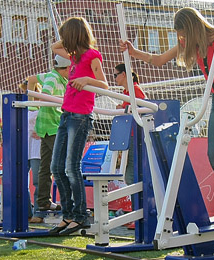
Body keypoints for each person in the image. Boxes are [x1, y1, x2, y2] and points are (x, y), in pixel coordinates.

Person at [121, 6, 214, 226]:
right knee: (213, 155)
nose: (180, 37)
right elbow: (159, 59)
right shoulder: (187, 44)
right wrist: (134, 52)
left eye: (182, 32)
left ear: (191, 27)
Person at [48, 17, 108, 235]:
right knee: (56, 168)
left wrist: (87, 80)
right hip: (66, 115)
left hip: (81, 117)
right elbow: (54, 47)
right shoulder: (74, 57)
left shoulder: (92, 56)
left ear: (74, 36)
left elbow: (104, 85)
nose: (63, 41)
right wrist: (67, 41)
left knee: (71, 167)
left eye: (67, 37)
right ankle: (69, 214)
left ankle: (81, 216)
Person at [26, 54, 70, 223]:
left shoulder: (51, 75)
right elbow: (45, 95)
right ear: (66, 68)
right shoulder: (53, 78)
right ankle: (67, 204)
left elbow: (32, 79)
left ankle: (43, 202)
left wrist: (32, 106)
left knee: (46, 168)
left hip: (45, 128)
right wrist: (34, 105)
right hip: (52, 127)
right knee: (62, 166)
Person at [113, 63, 146, 184]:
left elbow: (142, 111)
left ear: (123, 74)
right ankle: (135, 202)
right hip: (130, 136)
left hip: (135, 135)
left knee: (131, 175)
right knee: (129, 175)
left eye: (115, 75)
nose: (114, 78)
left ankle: (136, 202)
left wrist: (123, 110)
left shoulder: (135, 90)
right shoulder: (128, 92)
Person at [18, 81, 44, 224]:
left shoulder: (43, 108)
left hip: (37, 149)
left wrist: (43, 132)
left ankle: (39, 212)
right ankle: (25, 211)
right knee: (21, 180)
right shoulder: (23, 108)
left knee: (38, 181)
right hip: (24, 148)